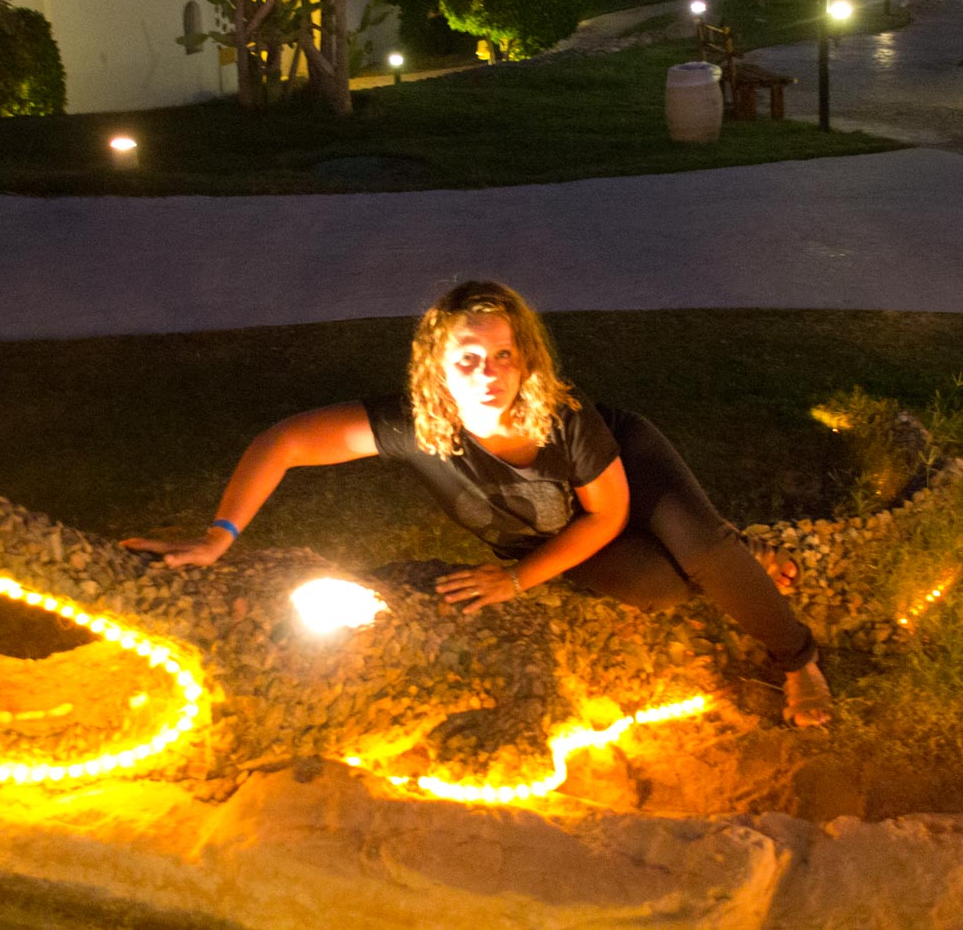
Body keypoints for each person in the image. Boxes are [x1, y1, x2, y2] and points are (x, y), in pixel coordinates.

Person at [122, 280, 833, 726]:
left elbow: (609, 514)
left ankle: (798, 657)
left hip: (627, 479)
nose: (488, 374)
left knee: (702, 551)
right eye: (467, 358)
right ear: (436, 366)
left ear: (525, 359)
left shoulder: (563, 419)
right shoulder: (413, 424)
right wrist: (219, 534)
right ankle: (734, 554)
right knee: (659, 588)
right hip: (566, 528)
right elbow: (283, 442)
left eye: (502, 356)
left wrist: (518, 580)